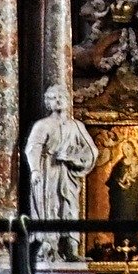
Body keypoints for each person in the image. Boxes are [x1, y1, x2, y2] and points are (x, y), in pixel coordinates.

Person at [23, 87, 98, 261]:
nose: (58, 100)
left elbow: (91, 150)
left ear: (67, 101)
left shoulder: (76, 126)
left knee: (70, 208)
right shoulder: (42, 125)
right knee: (50, 207)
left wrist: (72, 157)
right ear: (47, 103)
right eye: (53, 98)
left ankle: (71, 249)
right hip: (48, 171)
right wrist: (35, 170)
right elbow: (33, 147)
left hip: (67, 172)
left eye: (61, 97)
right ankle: (49, 248)